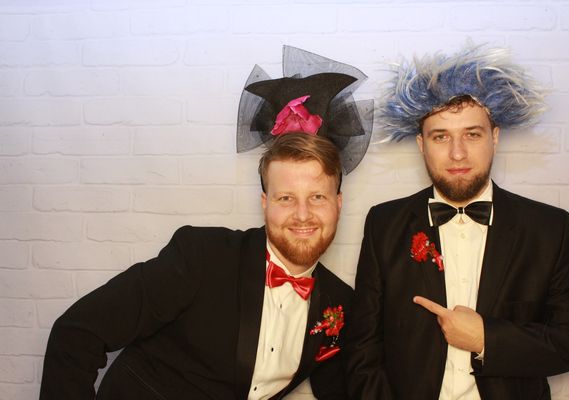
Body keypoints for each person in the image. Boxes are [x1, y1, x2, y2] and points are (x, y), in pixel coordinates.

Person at [40, 46, 373, 400]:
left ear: (338, 204)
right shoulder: (201, 258)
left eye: (317, 197)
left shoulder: (340, 305)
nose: (302, 215)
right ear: (265, 203)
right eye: (286, 198)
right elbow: (76, 334)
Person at [345, 43, 569, 400]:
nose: (457, 153)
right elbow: (362, 348)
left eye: (472, 134)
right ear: (421, 143)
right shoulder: (383, 223)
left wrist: (486, 338)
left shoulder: (548, 229)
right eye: (441, 137)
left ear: (494, 137)